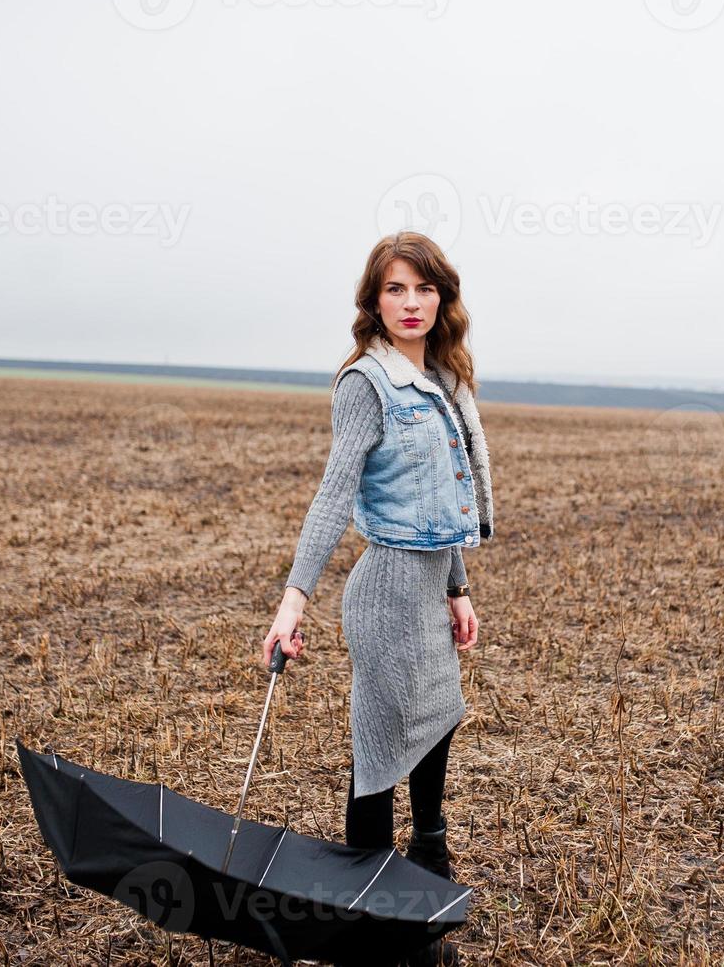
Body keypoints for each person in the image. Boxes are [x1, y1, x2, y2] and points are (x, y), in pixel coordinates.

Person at [259, 231, 494, 967]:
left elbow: (442, 498)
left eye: (422, 288)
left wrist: (457, 587)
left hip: (428, 588)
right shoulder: (367, 384)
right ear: (374, 302)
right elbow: (332, 498)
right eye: (395, 289)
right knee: (379, 756)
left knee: (437, 722)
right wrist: (293, 602)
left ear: (441, 298)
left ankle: (426, 869)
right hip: (385, 593)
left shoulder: (448, 383)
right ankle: (377, 933)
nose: (411, 302)